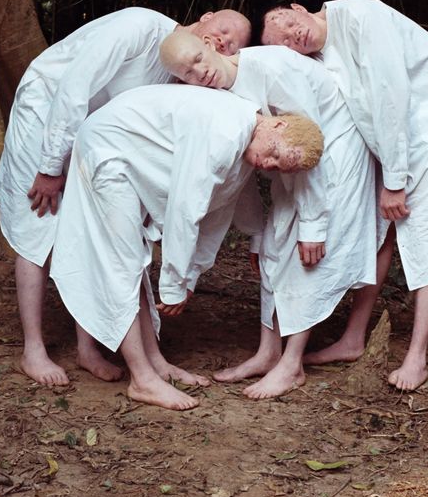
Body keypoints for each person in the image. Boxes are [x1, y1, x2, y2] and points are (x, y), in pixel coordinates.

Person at [0, 6, 251, 387]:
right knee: (40, 223)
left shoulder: (186, 73)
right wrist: (50, 166)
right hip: (49, 107)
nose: (224, 42)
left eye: (233, 45)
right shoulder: (139, 27)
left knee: (90, 226)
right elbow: (75, 85)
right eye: (225, 29)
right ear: (207, 17)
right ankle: (34, 349)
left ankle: (87, 348)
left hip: (95, 134)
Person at [261, 0, 428, 391]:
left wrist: (395, 182)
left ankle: (416, 358)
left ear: (298, 8)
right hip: (392, 138)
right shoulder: (322, 57)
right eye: (282, 43)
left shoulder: (359, 15)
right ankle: (353, 338)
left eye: (286, 25)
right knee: (378, 226)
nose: (291, 38)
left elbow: (390, 95)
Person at [49, 84, 324, 410]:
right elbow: (185, 210)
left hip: (128, 153)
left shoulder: (245, 141)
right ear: (277, 124)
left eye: (277, 167)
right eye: (275, 155)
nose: (268, 165)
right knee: (121, 262)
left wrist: (189, 276)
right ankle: (142, 379)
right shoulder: (225, 133)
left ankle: (155, 362)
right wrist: (175, 284)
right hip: (107, 148)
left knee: (134, 260)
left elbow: (216, 212)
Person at [159, 31, 378, 399]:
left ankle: (292, 365)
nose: (200, 73)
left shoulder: (271, 67)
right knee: (274, 246)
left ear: (211, 44)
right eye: (188, 73)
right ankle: (269, 352)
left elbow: (307, 141)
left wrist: (313, 224)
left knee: (304, 254)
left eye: (198, 59)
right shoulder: (220, 96)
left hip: (329, 154)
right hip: (284, 161)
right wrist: (256, 232)